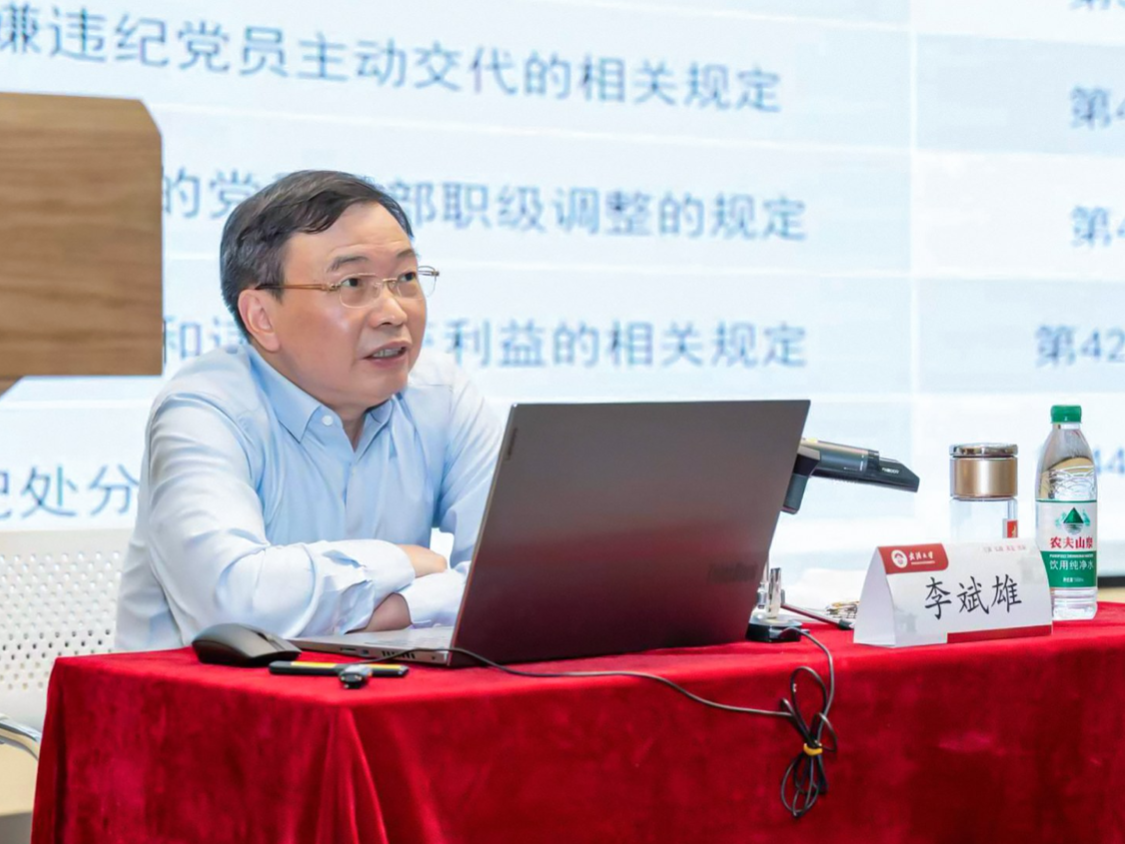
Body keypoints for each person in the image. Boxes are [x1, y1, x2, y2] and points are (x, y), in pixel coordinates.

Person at [115, 170, 503, 650]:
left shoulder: (439, 394)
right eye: (353, 283)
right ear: (262, 317)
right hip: (205, 695)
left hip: (377, 688)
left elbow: (522, 577)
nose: (394, 312)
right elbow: (231, 608)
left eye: (405, 278)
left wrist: (400, 610)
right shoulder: (206, 409)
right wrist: (400, 562)